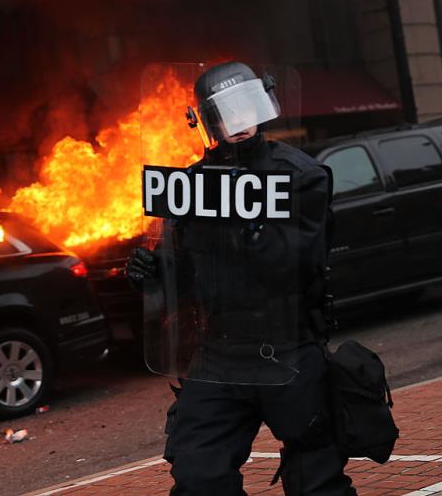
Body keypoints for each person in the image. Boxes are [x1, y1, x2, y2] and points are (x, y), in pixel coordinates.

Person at [127, 62, 355, 496]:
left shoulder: (299, 176)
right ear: (207, 123)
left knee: (316, 480)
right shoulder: (192, 185)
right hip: (219, 353)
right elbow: (181, 272)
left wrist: (255, 233)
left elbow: (305, 261)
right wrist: (152, 273)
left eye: (246, 107)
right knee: (198, 477)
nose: (238, 122)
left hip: (286, 348)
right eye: (225, 113)